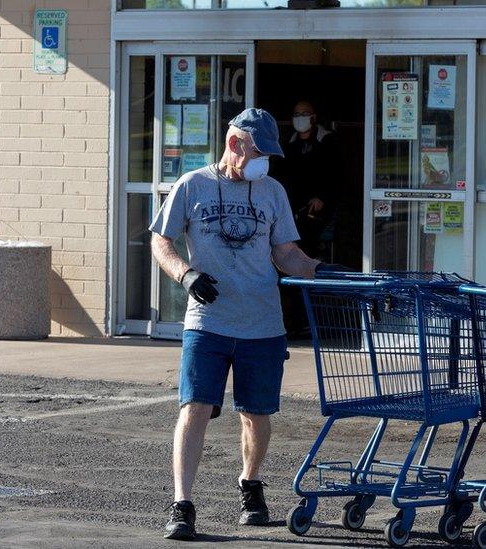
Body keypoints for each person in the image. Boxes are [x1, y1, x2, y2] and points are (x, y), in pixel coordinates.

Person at [151, 108, 347, 541]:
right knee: (195, 408)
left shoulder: (272, 191)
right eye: (261, 152)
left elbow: (287, 255)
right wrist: (187, 275)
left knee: (256, 414)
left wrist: (325, 271)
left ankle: (250, 483)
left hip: (262, 324)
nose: (266, 163)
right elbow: (160, 239)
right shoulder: (193, 185)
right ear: (235, 144)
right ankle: (182, 504)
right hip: (208, 322)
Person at [279, 100, 341, 258]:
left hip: (319, 208)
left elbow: (334, 174)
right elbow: (283, 173)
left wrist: (321, 197)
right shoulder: (289, 143)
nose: (301, 117)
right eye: (297, 114)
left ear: (314, 117)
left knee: (310, 245)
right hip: (294, 206)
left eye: (305, 114)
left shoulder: (327, 141)